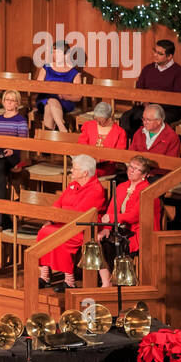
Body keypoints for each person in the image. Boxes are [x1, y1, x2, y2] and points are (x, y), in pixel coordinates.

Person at [36, 154, 106, 293]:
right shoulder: (73, 184)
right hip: (63, 222)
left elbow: (79, 213)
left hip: (82, 228)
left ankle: (69, 281)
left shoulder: (96, 190)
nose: (71, 171)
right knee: (44, 231)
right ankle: (44, 276)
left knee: (59, 236)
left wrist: (60, 214)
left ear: (85, 173)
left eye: (74, 168)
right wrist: (52, 217)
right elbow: (58, 203)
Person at [99, 156, 159, 284]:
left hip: (138, 232)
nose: (131, 170)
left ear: (145, 175)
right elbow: (111, 209)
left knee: (118, 245)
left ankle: (122, 282)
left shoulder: (147, 190)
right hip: (121, 229)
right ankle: (107, 281)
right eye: (130, 166)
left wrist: (112, 218)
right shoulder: (122, 186)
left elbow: (133, 216)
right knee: (100, 241)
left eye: (136, 169)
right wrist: (106, 228)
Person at [122, 39, 181, 139]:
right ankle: (132, 148)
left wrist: (154, 108)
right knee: (127, 117)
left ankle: (153, 149)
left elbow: (178, 98)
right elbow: (140, 90)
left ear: (169, 56)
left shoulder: (179, 72)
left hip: (168, 110)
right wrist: (146, 104)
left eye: (160, 53)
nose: (155, 55)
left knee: (152, 120)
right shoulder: (148, 69)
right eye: (155, 51)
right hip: (146, 106)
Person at [35, 41, 83, 132]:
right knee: (51, 101)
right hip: (44, 100)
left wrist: (66, 96)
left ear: (65, 54)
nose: (53, 55)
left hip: (65, 102)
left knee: (49, 106)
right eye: (52, 52)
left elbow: (78, 97)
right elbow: (37, 87)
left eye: (56, 52)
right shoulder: (46, 68)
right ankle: (62, 129)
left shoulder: (74, 73)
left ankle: (48, 139)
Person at [78, 101, 127, 178]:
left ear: (108, 118)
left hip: (105, 167)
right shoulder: (88, 125)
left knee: (86, 173)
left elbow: (119, 154)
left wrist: (101, 160)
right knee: (78, 171)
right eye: (96, 119)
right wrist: (90, 158)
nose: (97, 122)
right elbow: (82, 144)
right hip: (87, 163)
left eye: (101, 120)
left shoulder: (119, 132)